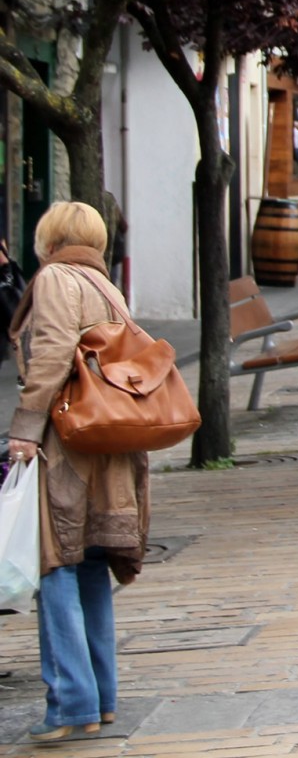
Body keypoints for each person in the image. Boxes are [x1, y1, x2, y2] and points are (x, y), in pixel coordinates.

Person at [6, 202, 149, 742]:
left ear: (49, 238)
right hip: (106, 441)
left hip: (67, 444)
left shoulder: (55, 280)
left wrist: (24, 427)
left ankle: (70, 705)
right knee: (88, 564)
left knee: (56, 564)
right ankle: (101, 698)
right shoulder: (104, 284)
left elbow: (49, 357)